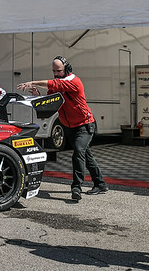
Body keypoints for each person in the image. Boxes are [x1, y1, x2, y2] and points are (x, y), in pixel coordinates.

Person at [16, 56, 107, 201]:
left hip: (85, 124)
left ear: (66, 69)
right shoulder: (58, 83)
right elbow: (51, 101)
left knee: (78, 151)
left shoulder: (73, 81)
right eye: (54, 71)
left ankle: (76, 187)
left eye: (58, 71)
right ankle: (100, 184)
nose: (56, 73)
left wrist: (33, 82)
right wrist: (38, 96)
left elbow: (55, 84)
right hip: (69, 126)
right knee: (85, 155)